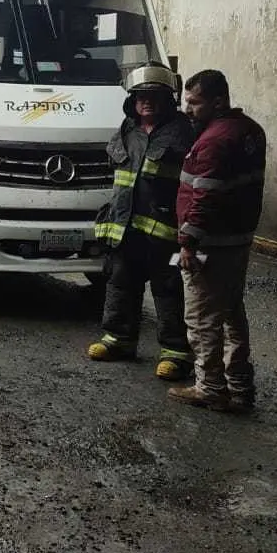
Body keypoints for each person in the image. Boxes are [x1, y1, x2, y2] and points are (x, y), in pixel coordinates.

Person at [89, 63, 196, 380]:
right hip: (126, 227)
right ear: (132, 100)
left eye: (154, 96)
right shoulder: (126, 131)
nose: (146, 101)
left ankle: (176, 353)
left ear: (168, 100)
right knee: (120, 283)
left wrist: (190, 232)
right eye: (140, 96)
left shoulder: (183, 134)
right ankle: (118, 340)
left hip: (165, 232)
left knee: (168, 290)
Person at [168, 69, 266, 413]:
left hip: (211, 244)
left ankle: (210, 387)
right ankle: (240, 384)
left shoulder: (213, 141)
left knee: (202, 318)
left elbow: (204, 198)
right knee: (231, 311)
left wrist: (188, 243)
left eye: (195, 103)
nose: (188, 109)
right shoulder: (250, 131)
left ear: (218, 102)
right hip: (238, 239)